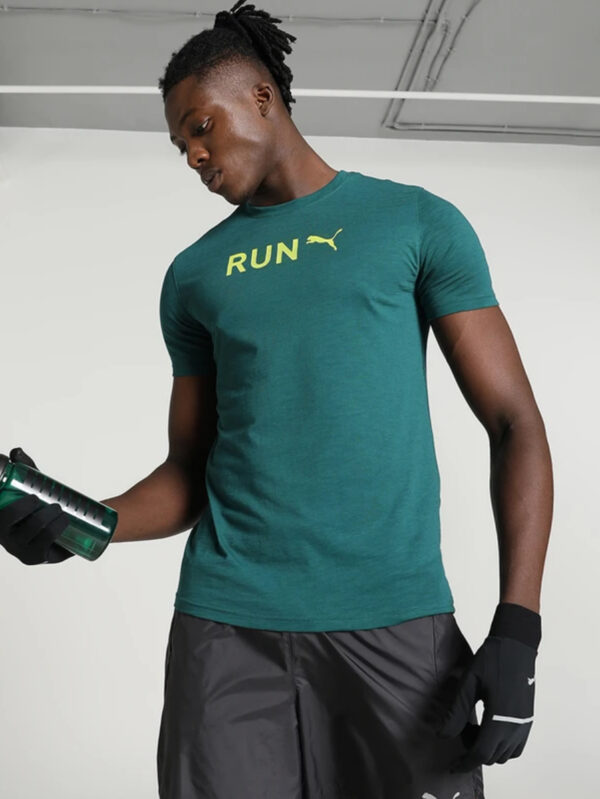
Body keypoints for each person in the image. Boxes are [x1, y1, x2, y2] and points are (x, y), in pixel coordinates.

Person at [0, 2, 553, 797]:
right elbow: (190, 471)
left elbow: (514, 422)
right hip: (227, 631)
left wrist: (519, 626)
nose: (193, 155)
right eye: (180, 145)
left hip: (394, 621)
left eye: (201, 127)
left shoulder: (413, 222)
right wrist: (83, 521)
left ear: (262, 98)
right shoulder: (193, 276)